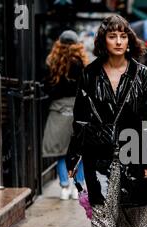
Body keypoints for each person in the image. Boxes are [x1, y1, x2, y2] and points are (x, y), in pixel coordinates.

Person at [66, 15, 147, 227]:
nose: (118, 41)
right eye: (112, 36)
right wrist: (74, 155)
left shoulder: (142, 74)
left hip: (133, 149)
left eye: (123, 36)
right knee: (102, 211)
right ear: (103, 41)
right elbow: (80, 118)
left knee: (130, 209)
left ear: (130, 41)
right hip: (98, 151)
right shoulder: (90, 73)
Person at [42, 30, 88, 200]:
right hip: (78, 109)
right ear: (77, 45)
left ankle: (64, 187)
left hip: (58, 109)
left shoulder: (52, 62)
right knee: (79, 151)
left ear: (59, 44)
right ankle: (78, 187)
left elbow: (47, 87)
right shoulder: (81, 64)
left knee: (61, 151)